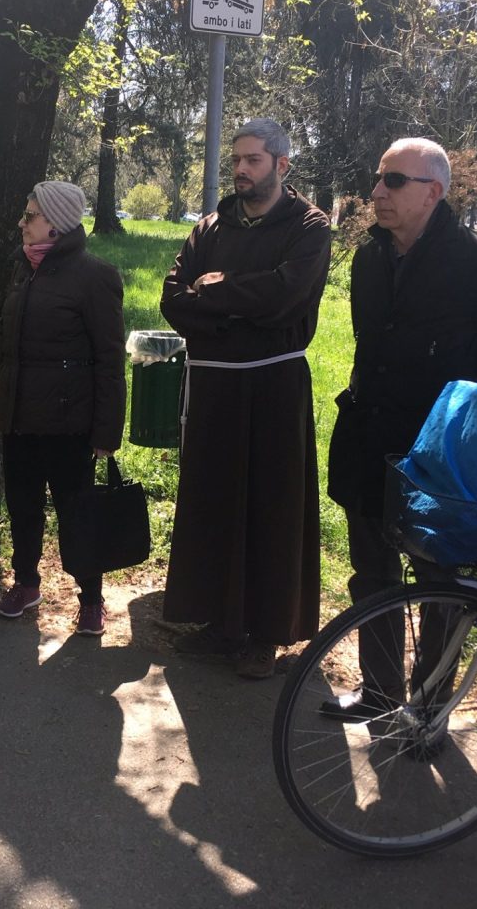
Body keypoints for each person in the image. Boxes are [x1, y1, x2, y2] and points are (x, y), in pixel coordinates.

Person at [322, 137, 477, 715]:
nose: (376, 192)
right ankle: (379, 692)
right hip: (370, 440)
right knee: (372, 574)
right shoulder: (369, 257)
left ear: (433, 192)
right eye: (378, 179)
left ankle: (428, 707)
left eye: (393, 181)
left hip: (441, 455)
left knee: (441, 584)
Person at [160, 119, 331, 679]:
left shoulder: (308, 225)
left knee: (270, 509)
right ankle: (220, 622)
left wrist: (216, 291)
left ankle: (266, 633)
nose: (240, 169)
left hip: (273, 385)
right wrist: (237, 310)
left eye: (253, 160)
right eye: (236, 159)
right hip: (214, 386)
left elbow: (286, 297)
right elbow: (172, 299)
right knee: (214, 503)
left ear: (281, 164)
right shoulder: (210, 226)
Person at [0, 181, 126, 636]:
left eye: (30, 216)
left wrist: (106, 432)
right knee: (22, 507)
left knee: (77, 513)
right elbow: (3, 338)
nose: (21, 223)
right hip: (19, 419)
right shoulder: (23, 269)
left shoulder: (95, 276)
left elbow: (110, 360)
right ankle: (26, 584)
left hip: (69, 425)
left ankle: (91, 600)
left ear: (57, 224)